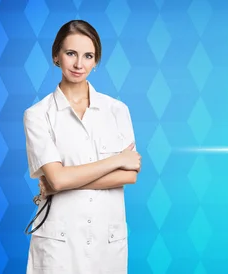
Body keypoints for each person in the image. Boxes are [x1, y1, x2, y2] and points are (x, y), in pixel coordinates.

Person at [22, 19, 141, 273]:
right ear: (56, 55)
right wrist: (116, 160)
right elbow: (57, 179)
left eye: (88, 56)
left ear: (96, 60)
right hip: (58, 244)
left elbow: (129, 175)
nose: (79, 64)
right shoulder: (37, 115)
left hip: (106, 243)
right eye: (71, 53)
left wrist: (60, 182)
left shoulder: (117, 110)